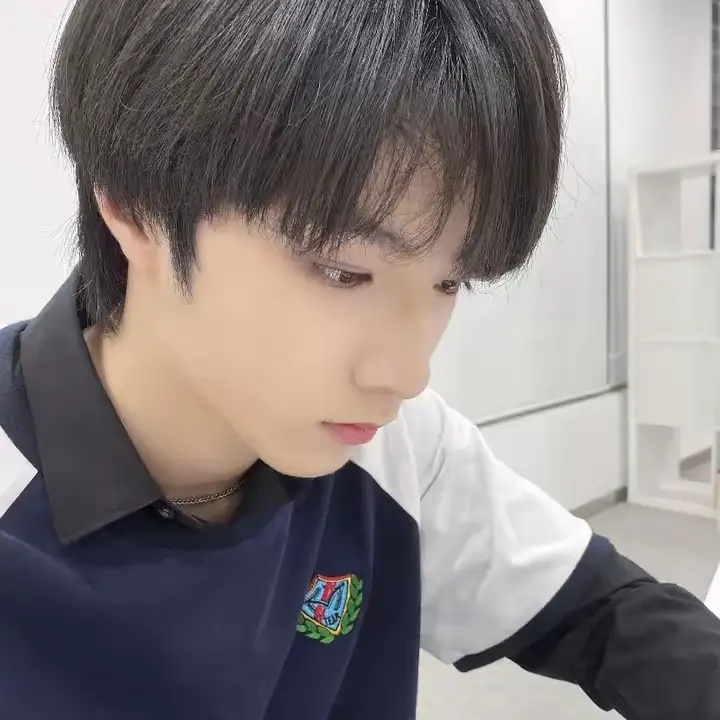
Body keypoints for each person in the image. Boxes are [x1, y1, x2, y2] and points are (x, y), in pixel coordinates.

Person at [1, 0, 719, 717]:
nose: (407, 376)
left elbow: (608, 614)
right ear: (136, 207)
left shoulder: (398, 451)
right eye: (342, 272)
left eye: (450, 283)